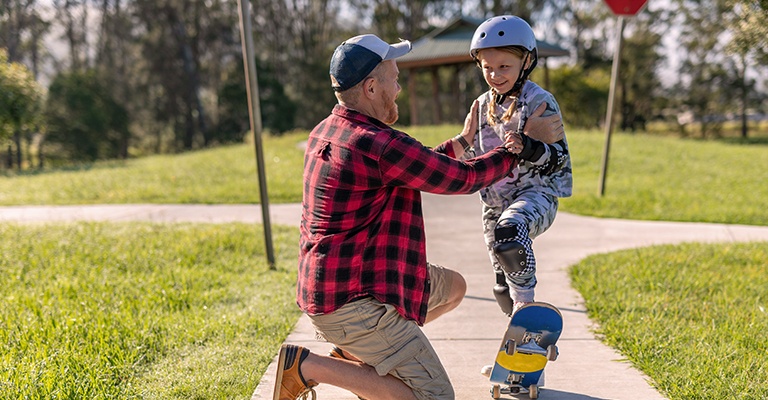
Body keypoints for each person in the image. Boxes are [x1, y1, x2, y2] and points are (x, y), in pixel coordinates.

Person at [269, 33, 551, 400]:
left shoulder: (329, 130)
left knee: (453, 289)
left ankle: (355, 355)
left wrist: (464, 140)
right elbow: (462, 179)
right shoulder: (378, 144)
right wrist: (520, 146)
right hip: (354, 302)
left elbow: (419, 163)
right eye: (394, 78)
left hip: (338, 285)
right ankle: (307, 367)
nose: (399, 88)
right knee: (433, 396)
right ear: (371, 87)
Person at [453, 15, 572, 318]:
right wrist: (462, 144)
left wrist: (529, 147)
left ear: (527, 61)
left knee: (510, 233)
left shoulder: (540, 102)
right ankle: (518, 343)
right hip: (493, 203)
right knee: (502, 284)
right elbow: (473, 157)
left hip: (536, 195)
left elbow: (558, 160)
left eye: (504, 66)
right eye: (487, 67)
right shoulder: (481, 105)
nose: (494, 74)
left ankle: (527, 309)